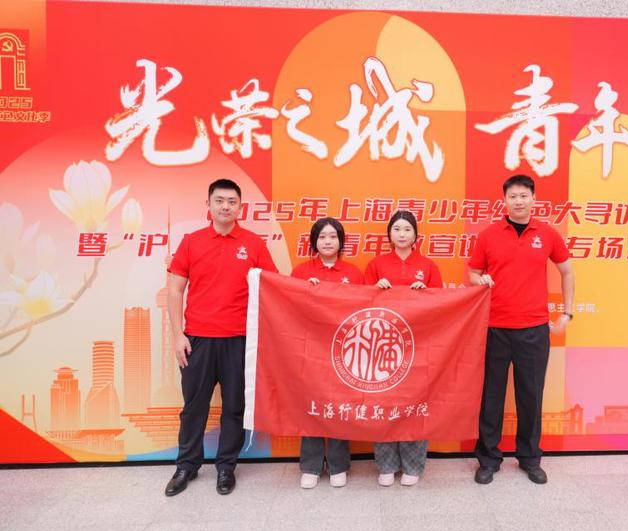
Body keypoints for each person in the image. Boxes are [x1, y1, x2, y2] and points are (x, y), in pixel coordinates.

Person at [164, 178, 278, 497]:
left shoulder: (254, 244)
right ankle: (186, 465)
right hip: (197, 339)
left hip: (239, 340)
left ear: (240, 207)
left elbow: (273, 286)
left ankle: (226, 467)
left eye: (232, 202)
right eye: (220, 200)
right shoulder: (192, 242)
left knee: (234, 407)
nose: (225, 206)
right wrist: (178, 335)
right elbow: (175, 290)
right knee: (193, 407)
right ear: (209, 205)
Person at [468, 174, 575, 485]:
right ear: (504, 200)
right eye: (512, 196)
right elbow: (473, 273)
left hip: (534, 329)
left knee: (531, 396)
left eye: (523, 196)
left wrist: (567, 313)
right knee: (492, 397)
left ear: (533, 199)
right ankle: (488, 459)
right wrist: (481, 279)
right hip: (494, 327)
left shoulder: (547, 234)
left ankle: (530, 458)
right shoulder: (488, 236)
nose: (518, 201)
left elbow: (567, 271)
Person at [364, 210, 443, 487]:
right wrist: (374, 289)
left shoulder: (428, 266)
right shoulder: (376, 264)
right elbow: (359, 304)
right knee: (383, 404)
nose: (401, 234)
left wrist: (426, 293)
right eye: (396, 229)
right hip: (382, 345)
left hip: (418, 345)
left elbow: (443, 305)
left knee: (415, 404)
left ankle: (413, 465)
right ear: (389, 234)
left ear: (415, 236)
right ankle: (386, 464)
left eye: (407, 229)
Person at [291, 217, 364, 489]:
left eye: (333, 236)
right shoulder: (301, 272)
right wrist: (303, 292)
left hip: (342, 350)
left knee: (338, 405)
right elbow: (287, 307)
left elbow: (364, 308)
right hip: (309, 349)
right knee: (311, 404)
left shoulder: (354, 273)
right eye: (322, 237)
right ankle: (310, 465)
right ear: (314, 242)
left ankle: (338, 464)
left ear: (341, 241)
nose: (328, 241)